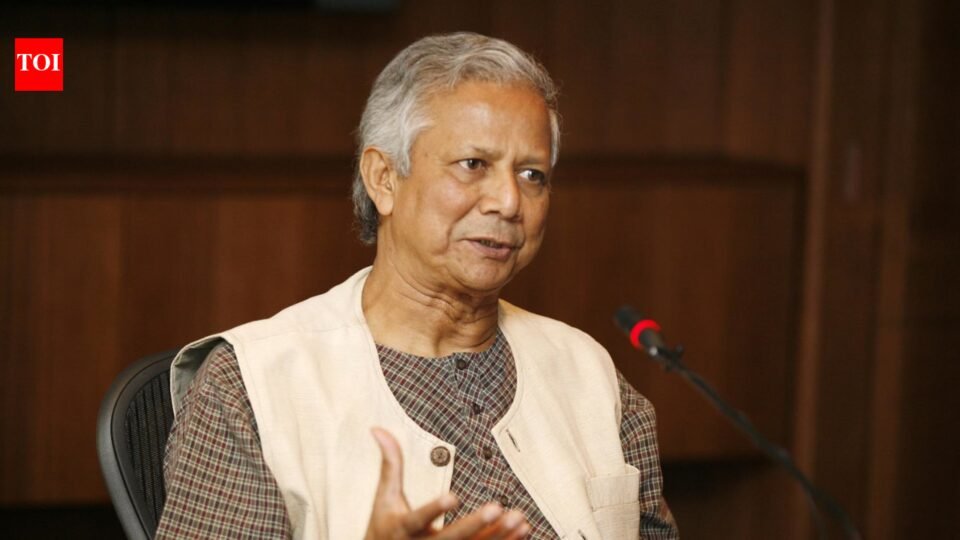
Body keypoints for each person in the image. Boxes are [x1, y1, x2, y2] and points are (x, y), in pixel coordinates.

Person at [156, 32, 678, 540]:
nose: (508, 202)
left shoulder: (592, 376)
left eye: (532, 175)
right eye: (473, 165)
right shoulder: (250, 387)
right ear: (383, 178)